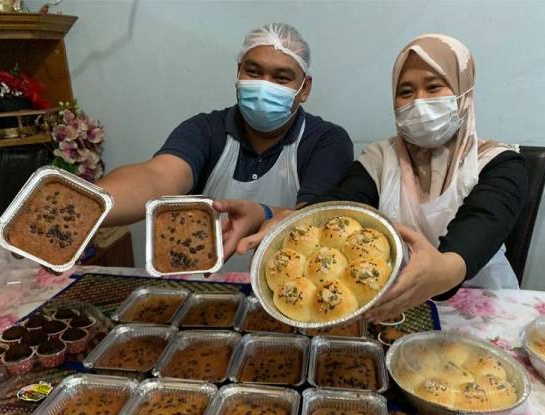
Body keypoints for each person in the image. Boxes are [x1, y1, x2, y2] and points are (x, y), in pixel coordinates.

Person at [215, 33, 528, 321]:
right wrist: (285, 220)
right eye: (406, 91)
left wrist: (442, 271)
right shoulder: (380, 158)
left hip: (476, 309)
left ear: (463, 92)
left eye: (433, 87)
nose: (419, 101)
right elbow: (339, 203)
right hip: (390, 304)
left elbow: (479, 228)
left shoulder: (499, 163)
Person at [95, 23, 353, 271]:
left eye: (281, 78)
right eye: (253, 72)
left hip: (284, 293)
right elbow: (158, 177)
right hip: (201, 286)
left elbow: (315, 218)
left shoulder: (326, 141)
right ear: (238, 73)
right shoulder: (205, 130)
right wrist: (86, 202)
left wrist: (261, 214)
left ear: (304, 88)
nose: (264, 86)